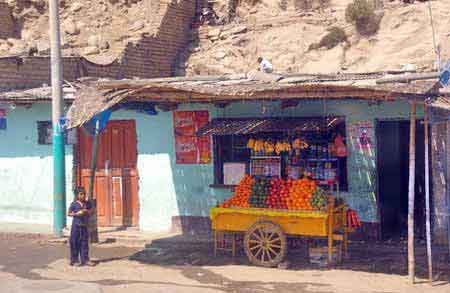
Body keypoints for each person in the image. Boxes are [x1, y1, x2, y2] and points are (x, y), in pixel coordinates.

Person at [68, 187, 92, 266]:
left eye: (84, 194)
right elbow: (69, 213)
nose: (83, 195)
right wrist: (76, 214)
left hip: (84, 226)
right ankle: (74, 260)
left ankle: (85, 260)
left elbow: (91, 212)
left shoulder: (87, 203)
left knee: (84, 243)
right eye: (81, 194)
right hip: (76, 226)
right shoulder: (74, 204)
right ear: (77, 195)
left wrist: (86, 211)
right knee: (74, 242)